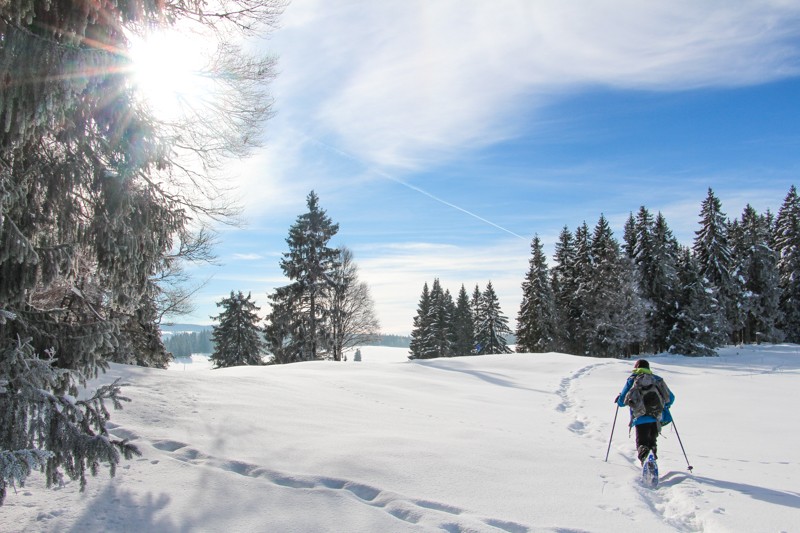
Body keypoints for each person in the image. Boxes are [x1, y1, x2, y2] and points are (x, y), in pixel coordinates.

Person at [616, 359, 674, 464]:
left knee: (642, 443)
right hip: (656, 417)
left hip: (640, 418)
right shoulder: (656, 379)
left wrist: (619, 399)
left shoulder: (633, 379)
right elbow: (671, 398)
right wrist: (664, 405)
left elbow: (622, 401)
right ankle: (652, 458)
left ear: (636, 368)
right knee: (652, 441)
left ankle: (645, 457)